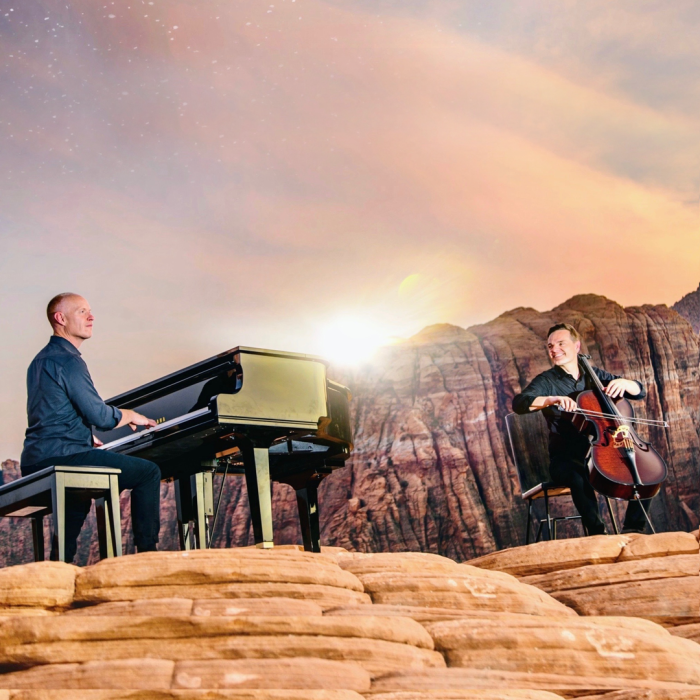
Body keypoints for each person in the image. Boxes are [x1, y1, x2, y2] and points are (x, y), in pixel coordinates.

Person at [20, 293, 161, 562]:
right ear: (60, 318)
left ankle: (59, 564)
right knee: (148, 473)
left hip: (36, 458)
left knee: (78, 499)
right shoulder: (68, 360)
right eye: (82, 311)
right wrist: (130, 414)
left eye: (90, 311)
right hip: (63, 456)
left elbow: (51, 413)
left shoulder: (39, 361)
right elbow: (100, 415)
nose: (91, 317)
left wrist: (83, 434)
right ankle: (148, 557)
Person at [512, 322, 650, 535]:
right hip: (566, 459)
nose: (554, 349)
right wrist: (551, 399)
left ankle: (634, 528)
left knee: (643, 466)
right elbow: (519, 403)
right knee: (578, 473)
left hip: (603, 451)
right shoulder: (547, 381)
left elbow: (639, 391)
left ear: (576, 347)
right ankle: (598, 534)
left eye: (560, 343)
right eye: (550, 346)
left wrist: (625, 383)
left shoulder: (594, 375)